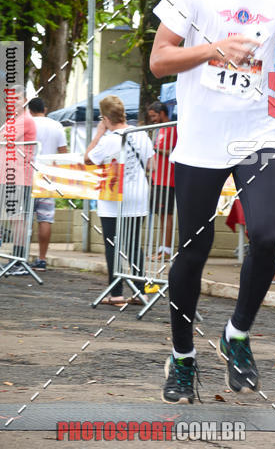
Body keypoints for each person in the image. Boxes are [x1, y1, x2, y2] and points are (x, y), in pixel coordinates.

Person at [150, 0, 275, 404]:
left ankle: (237, 334)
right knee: (191, 254)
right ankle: (182, 358)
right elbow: (159, 60)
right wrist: (212, 49)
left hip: (256, 133)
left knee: (267, 235)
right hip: (201, 135)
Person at [85, 95, 154, 306]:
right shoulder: (141, 135)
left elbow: (87, 159)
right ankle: (140, 291)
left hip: (114, 197)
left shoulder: (108, 140)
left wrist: (98, 135)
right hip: (139, 195)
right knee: (134, 245)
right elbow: (152, 166)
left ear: (105, 118)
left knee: (112, 244)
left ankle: (115, 293)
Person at [28, 97, 68, 271]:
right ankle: (42, 259)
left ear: (29, 110)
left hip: (26, 176)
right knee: (45, 219)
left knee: (23, 218)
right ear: (45, 109)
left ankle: (20, 256)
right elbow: (63, 153)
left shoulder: (25, 125)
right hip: (47, 177)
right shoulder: (56, 126)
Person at [0, 86, 36, 276]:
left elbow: (4, 138)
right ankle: (16, 258)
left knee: (18, 219)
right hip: (8, 176)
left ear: (26, 99)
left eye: (18, 98)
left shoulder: (25, 121)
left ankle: (19, 259)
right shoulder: (13, 120)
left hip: (19, 177)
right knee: (14, 219)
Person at [146, 101, 177, 265]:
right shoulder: (161, 130)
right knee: (161, 215)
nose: (153, 119)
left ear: (163, 113)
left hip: (168, 180)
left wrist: (155, 150)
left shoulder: (173, 128)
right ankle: (161, 249)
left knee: (167, 216)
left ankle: (166, 250)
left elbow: (174, 152)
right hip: (158, 179)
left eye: (154, 116)